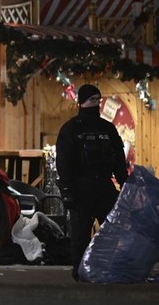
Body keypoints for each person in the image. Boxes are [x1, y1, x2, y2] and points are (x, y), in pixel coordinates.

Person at [56, 83, 128, 281]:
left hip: (105, 186)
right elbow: (64, 161)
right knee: (80, 234)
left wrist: (124, 183)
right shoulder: (71, 129)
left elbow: (118, 159)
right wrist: (67, 190)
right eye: (91, 100)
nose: (96, 103)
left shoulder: (107, 128)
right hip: (81, 187)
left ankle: (107, 268)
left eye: (98, 99)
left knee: (112, 231)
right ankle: (80, 271)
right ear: (82, 102)